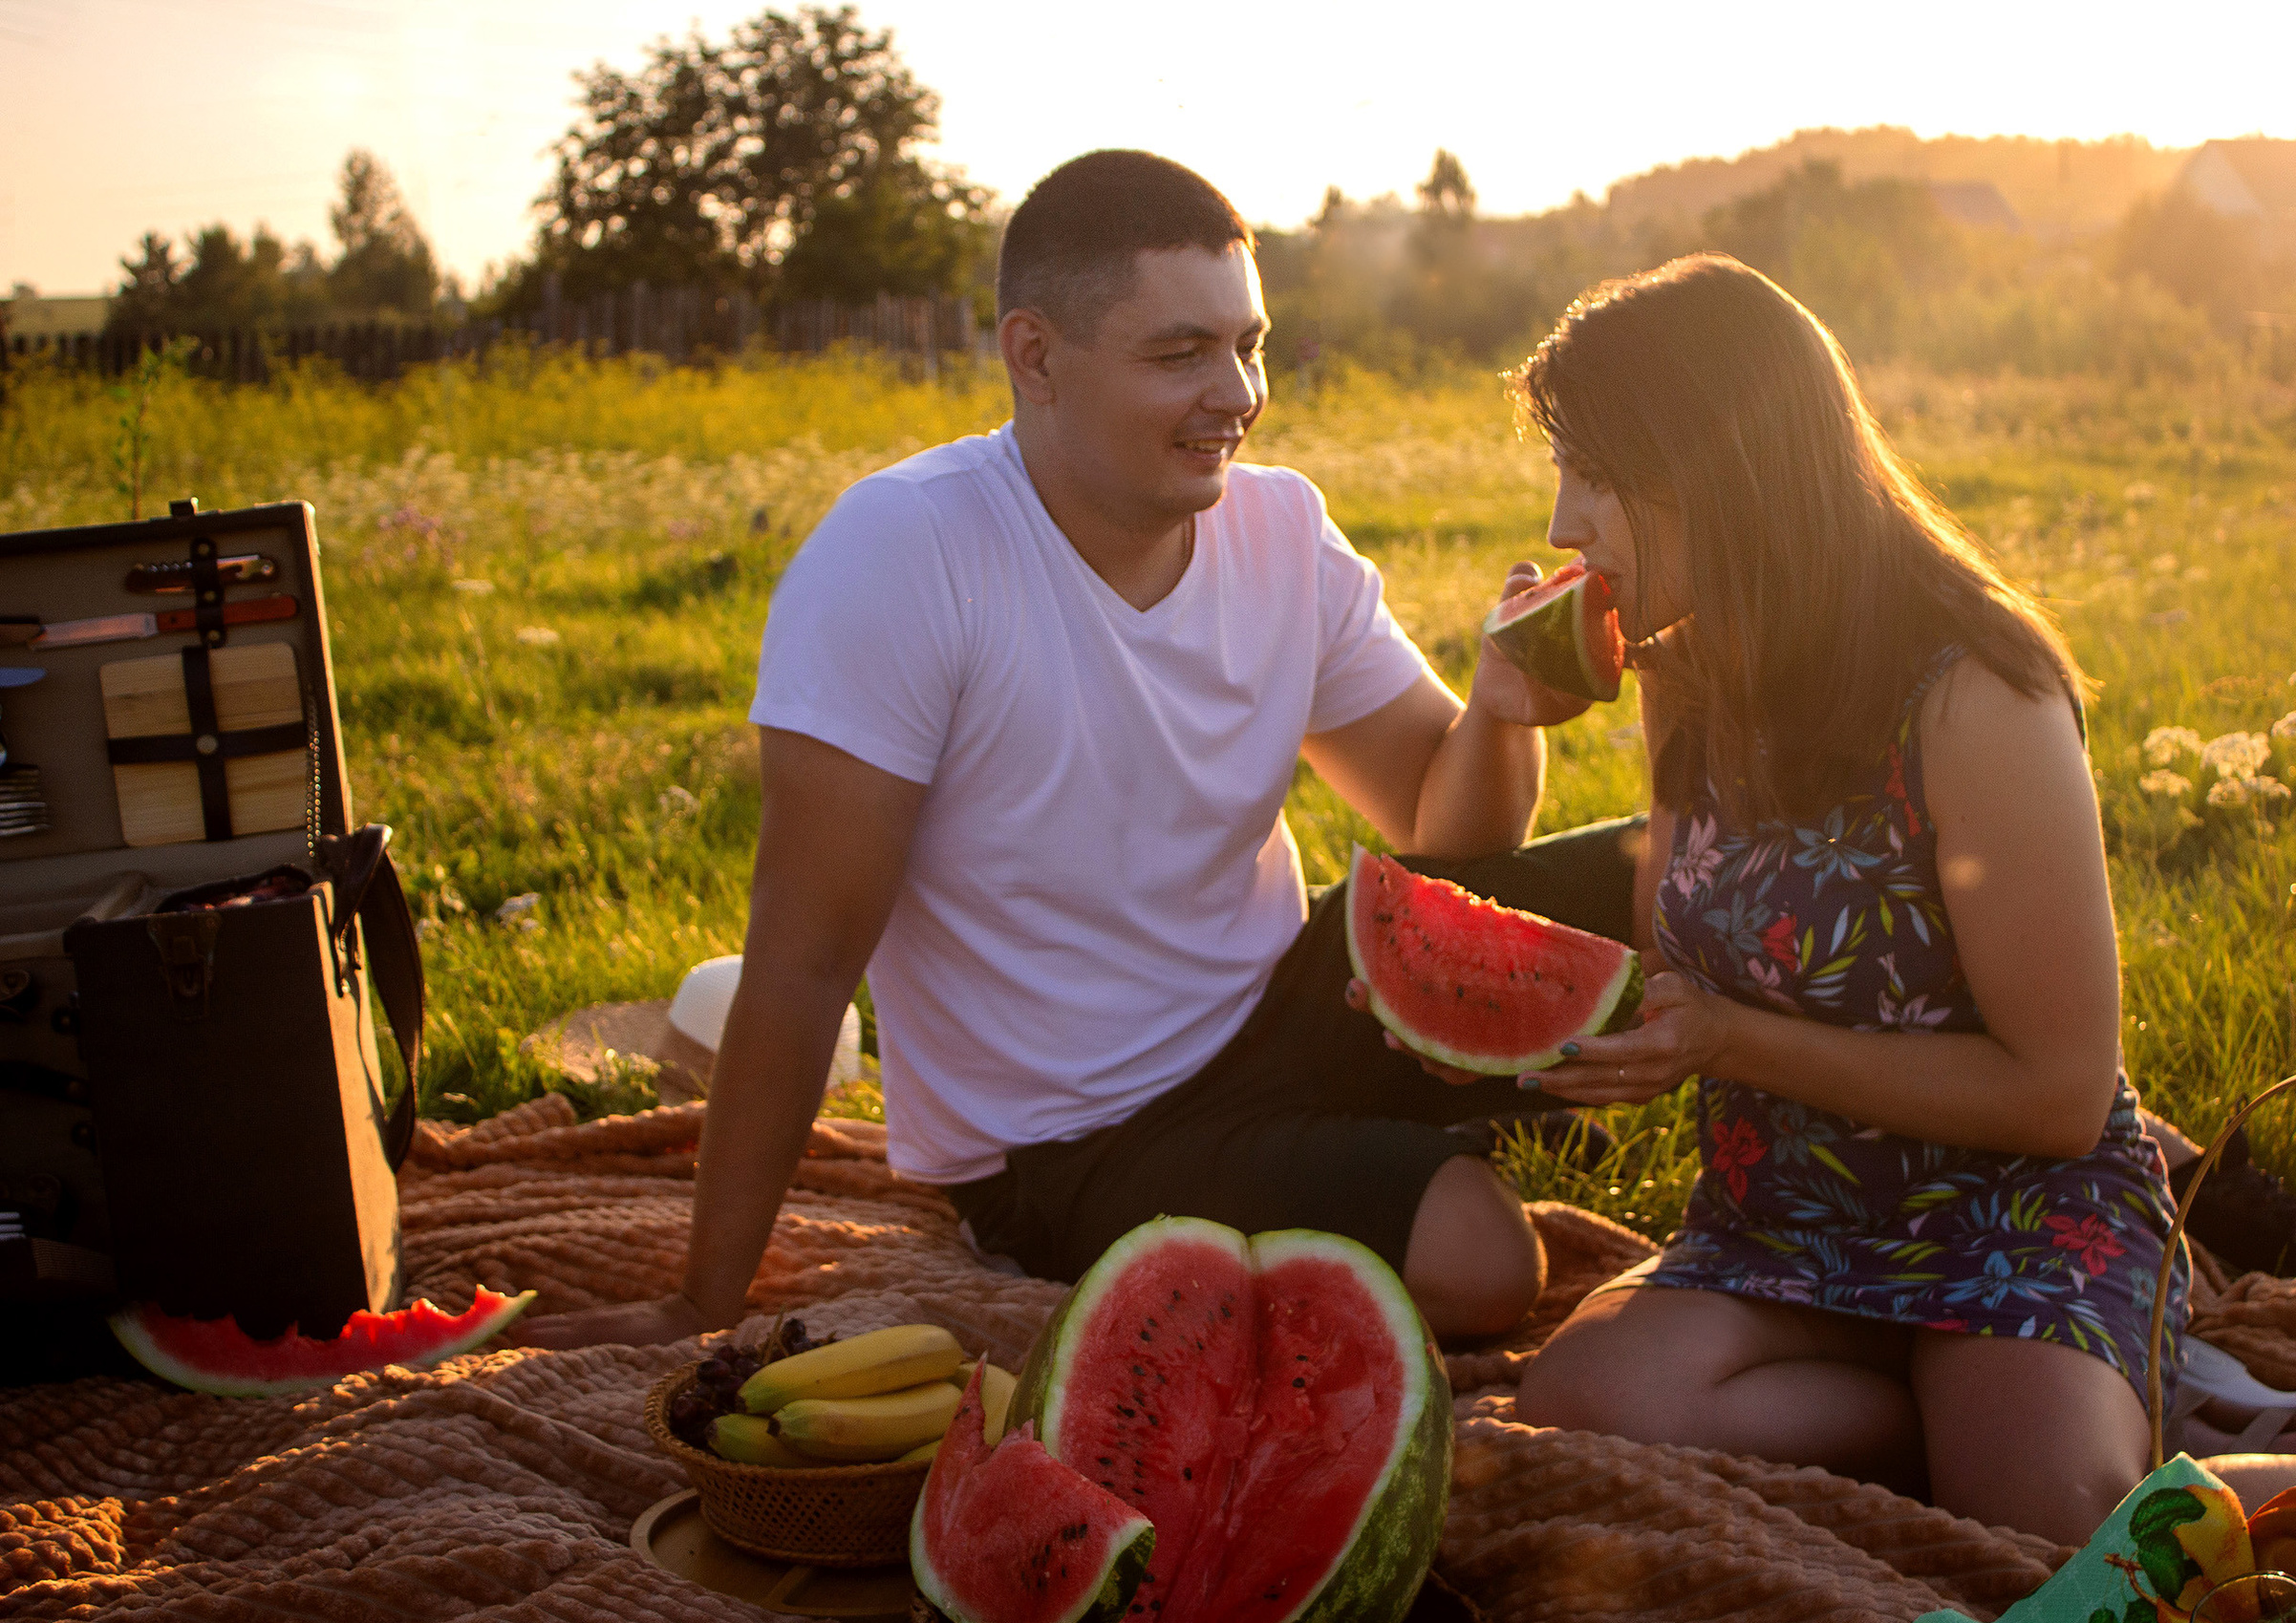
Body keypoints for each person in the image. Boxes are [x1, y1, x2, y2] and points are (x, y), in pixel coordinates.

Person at [519, 150, 1635, 1354]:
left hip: (1287, 1002)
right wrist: (703, 1297)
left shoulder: (1280, 526)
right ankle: (1409, 1167)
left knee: (1663, 867)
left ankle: (1817, 1231)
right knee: (1483, 1260)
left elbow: (1446, 834)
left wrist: (1503, 712)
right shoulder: (905, 558)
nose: (1238, 392)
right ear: (1035, 356)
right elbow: (799, 964)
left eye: (1248, 344)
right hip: (1075, 1137)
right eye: (1180, 354)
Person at [1493, 255, 2191, 1548]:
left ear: (1720, 468)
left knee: (2047, 1513)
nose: (1561, 522)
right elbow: (1679, 945)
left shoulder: (1978, 692)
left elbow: (2057, 1092)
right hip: (1782, 1221)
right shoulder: (1686, 664)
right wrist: (1529, 1018)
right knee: (1580, 1400)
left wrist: (1732, 1041)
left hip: (2015, 1212)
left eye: (1594, 472)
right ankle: (1935, 1410)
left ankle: (2010, 1406)